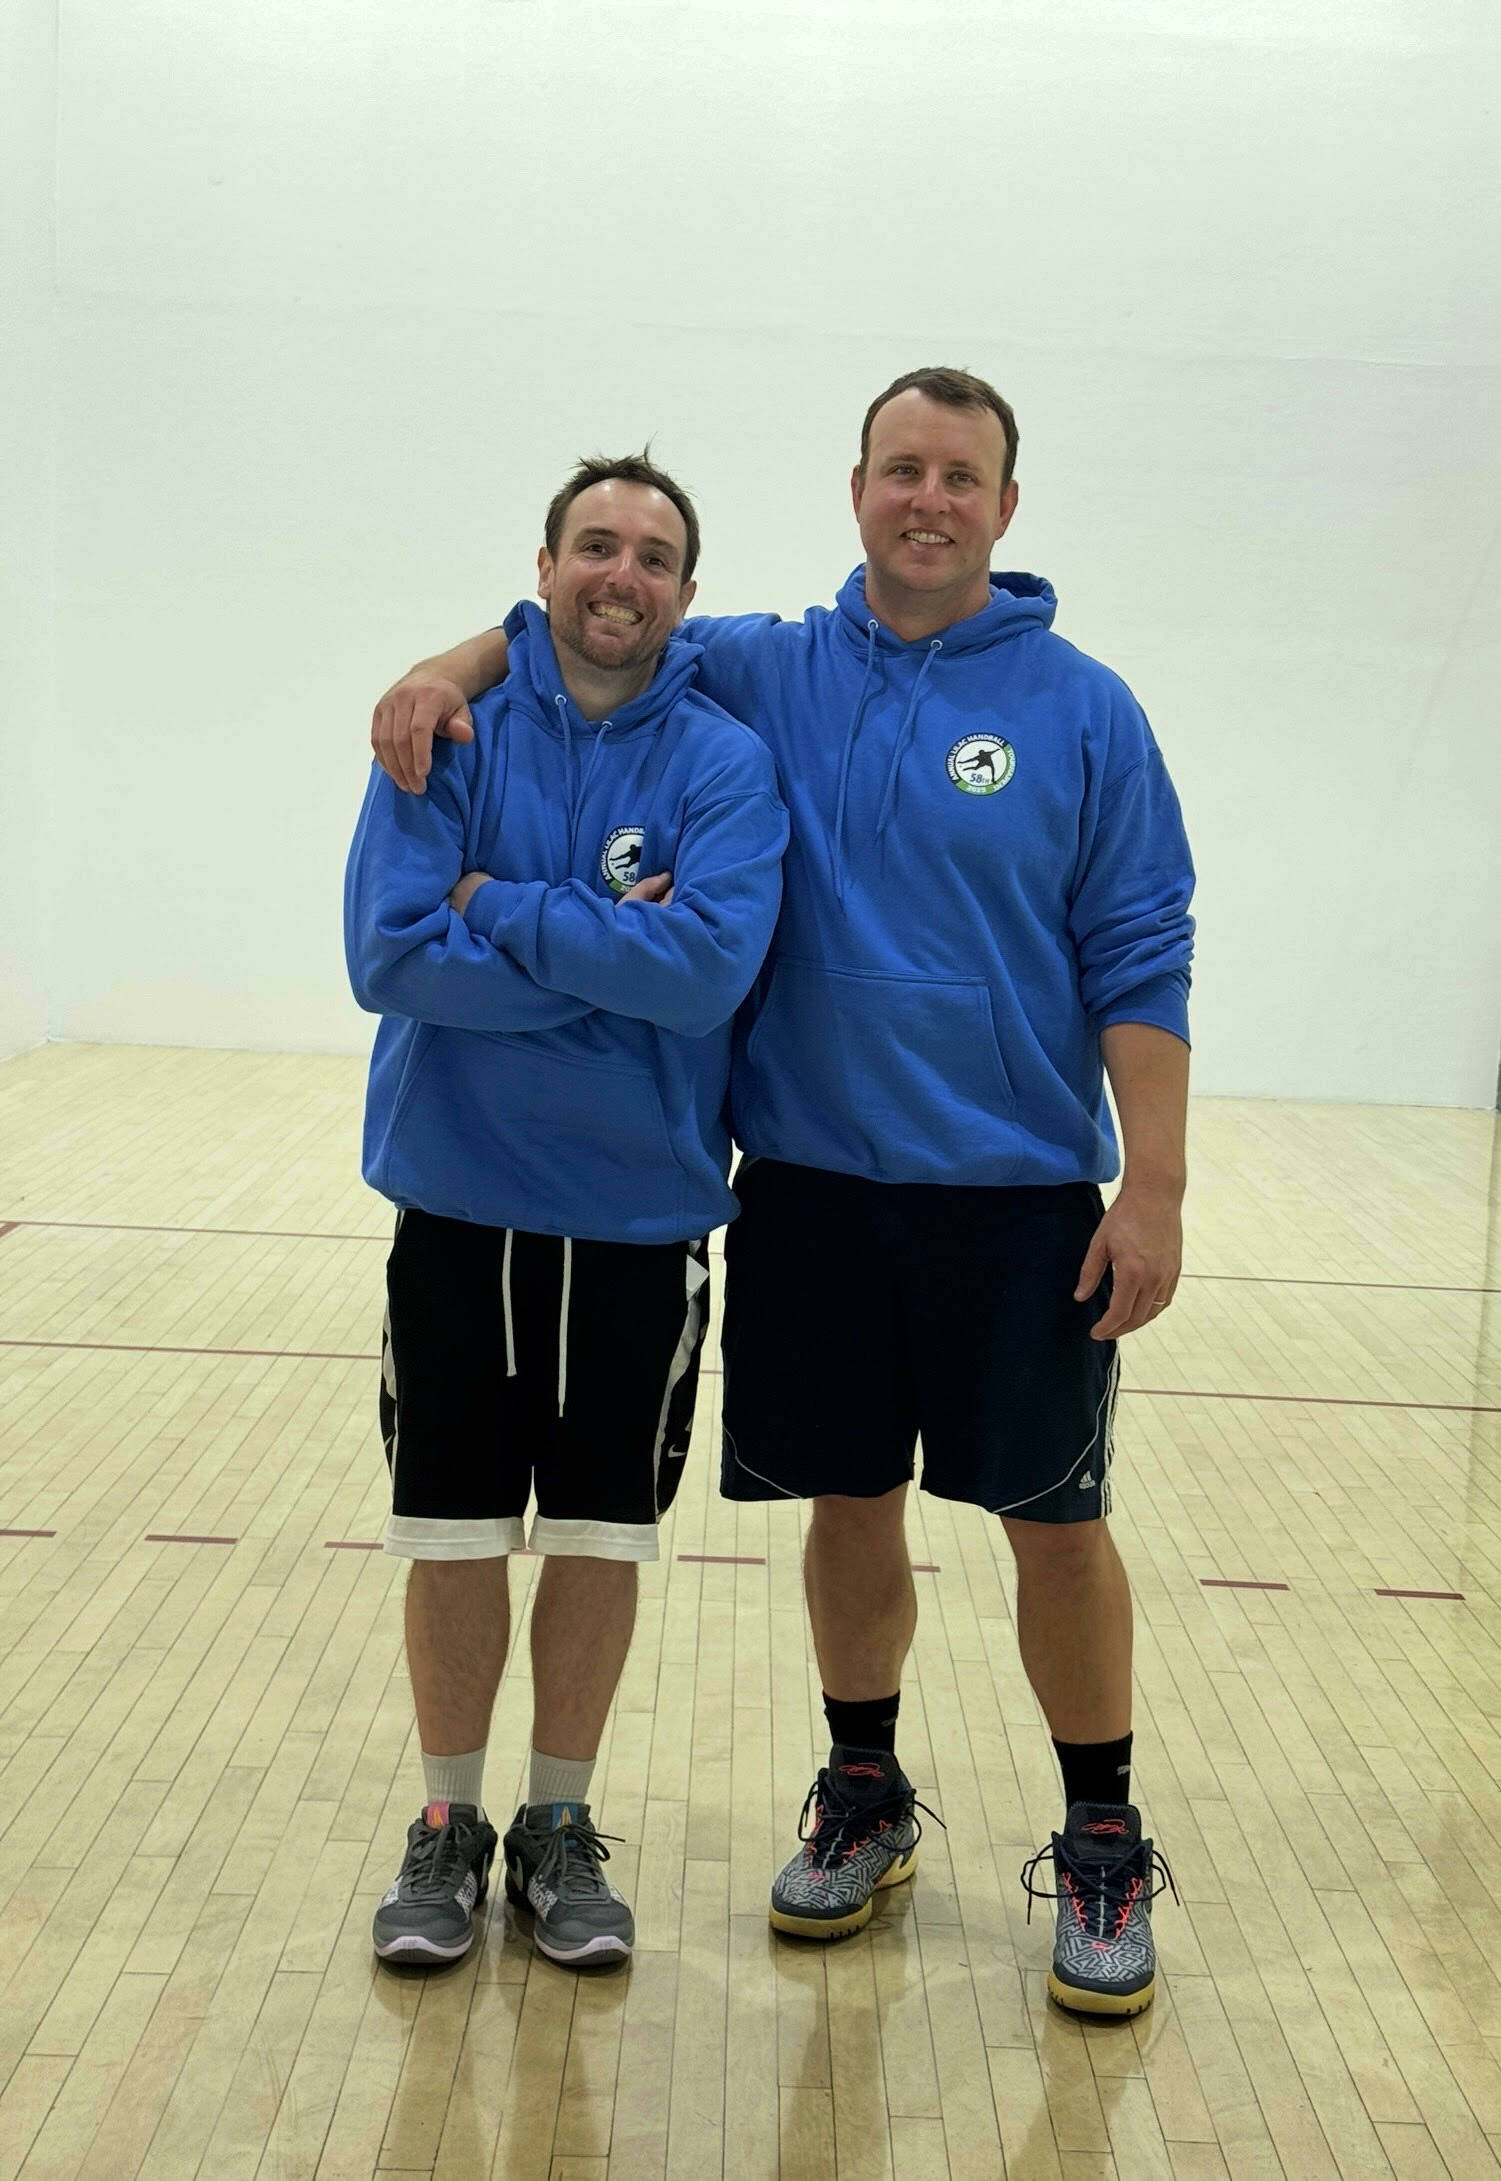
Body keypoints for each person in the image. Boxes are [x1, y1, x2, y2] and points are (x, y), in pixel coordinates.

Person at [368, 369, 1194, 2017]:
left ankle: (1098, 1830)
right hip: (805, 1186)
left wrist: (1152, 1181)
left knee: (1058, 1524)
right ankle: (864, 1792)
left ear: (1005, 508)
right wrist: (445, 660)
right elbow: (580, 623)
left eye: (961, 476)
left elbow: (1140, 949)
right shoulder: (762, 662)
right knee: (849, 1508)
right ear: (857, 488)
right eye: (902, 468)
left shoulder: (1085, 707)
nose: (928, 499)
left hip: (1019, 1188)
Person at [345, 452, 787, 1969]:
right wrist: (607, 960)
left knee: (601, 1538)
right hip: (458, 1208)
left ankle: (555, 1825)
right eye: (595, 546)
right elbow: (390, 957)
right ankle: (445, 1827)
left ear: (682, 593)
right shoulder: (443, 731)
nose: (622, 576)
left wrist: (500, 911)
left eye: (653, 557)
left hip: (638, 1225)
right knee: (455, 1537)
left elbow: (705, 975)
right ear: (540, 570)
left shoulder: (725, 763)